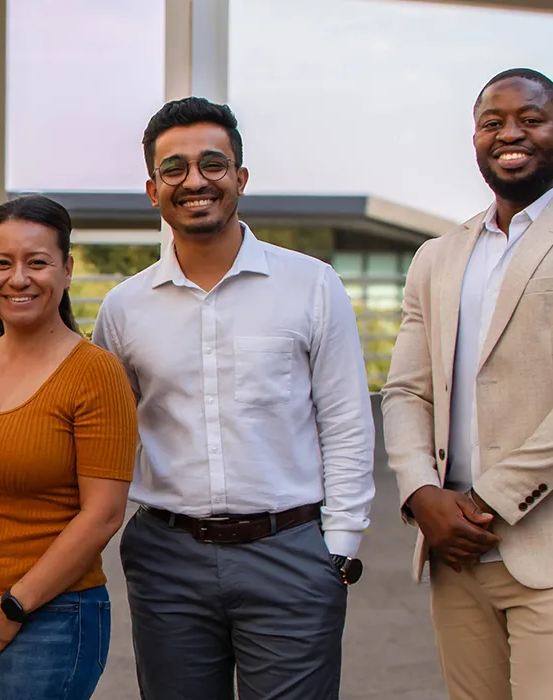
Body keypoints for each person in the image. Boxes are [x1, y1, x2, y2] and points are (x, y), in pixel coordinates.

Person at [382, 68, 553, 700]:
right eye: (492, 123)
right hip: (456, 552)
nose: (511, 134)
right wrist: (422, 492)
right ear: (475, 138)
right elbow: (406, 392)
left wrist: (481, 503)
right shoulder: (437, 257)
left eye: (531, 120)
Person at [91, 96, 375, 699]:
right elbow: (105, 437)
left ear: (240, 177)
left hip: (291, 555)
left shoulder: (311, 285)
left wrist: (340, 549)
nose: (195, 181)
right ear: (153, 190)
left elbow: (347, 422)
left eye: (212, 164)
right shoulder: (123, 308)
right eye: (174, 168)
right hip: (167, 562)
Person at [0, 194, 138, 700]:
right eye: (2, 263)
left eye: (37, 262)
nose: (18, 278)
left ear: (67, 270)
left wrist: (14, 605)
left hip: (54, 613)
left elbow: (103, 514)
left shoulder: (96, 372)